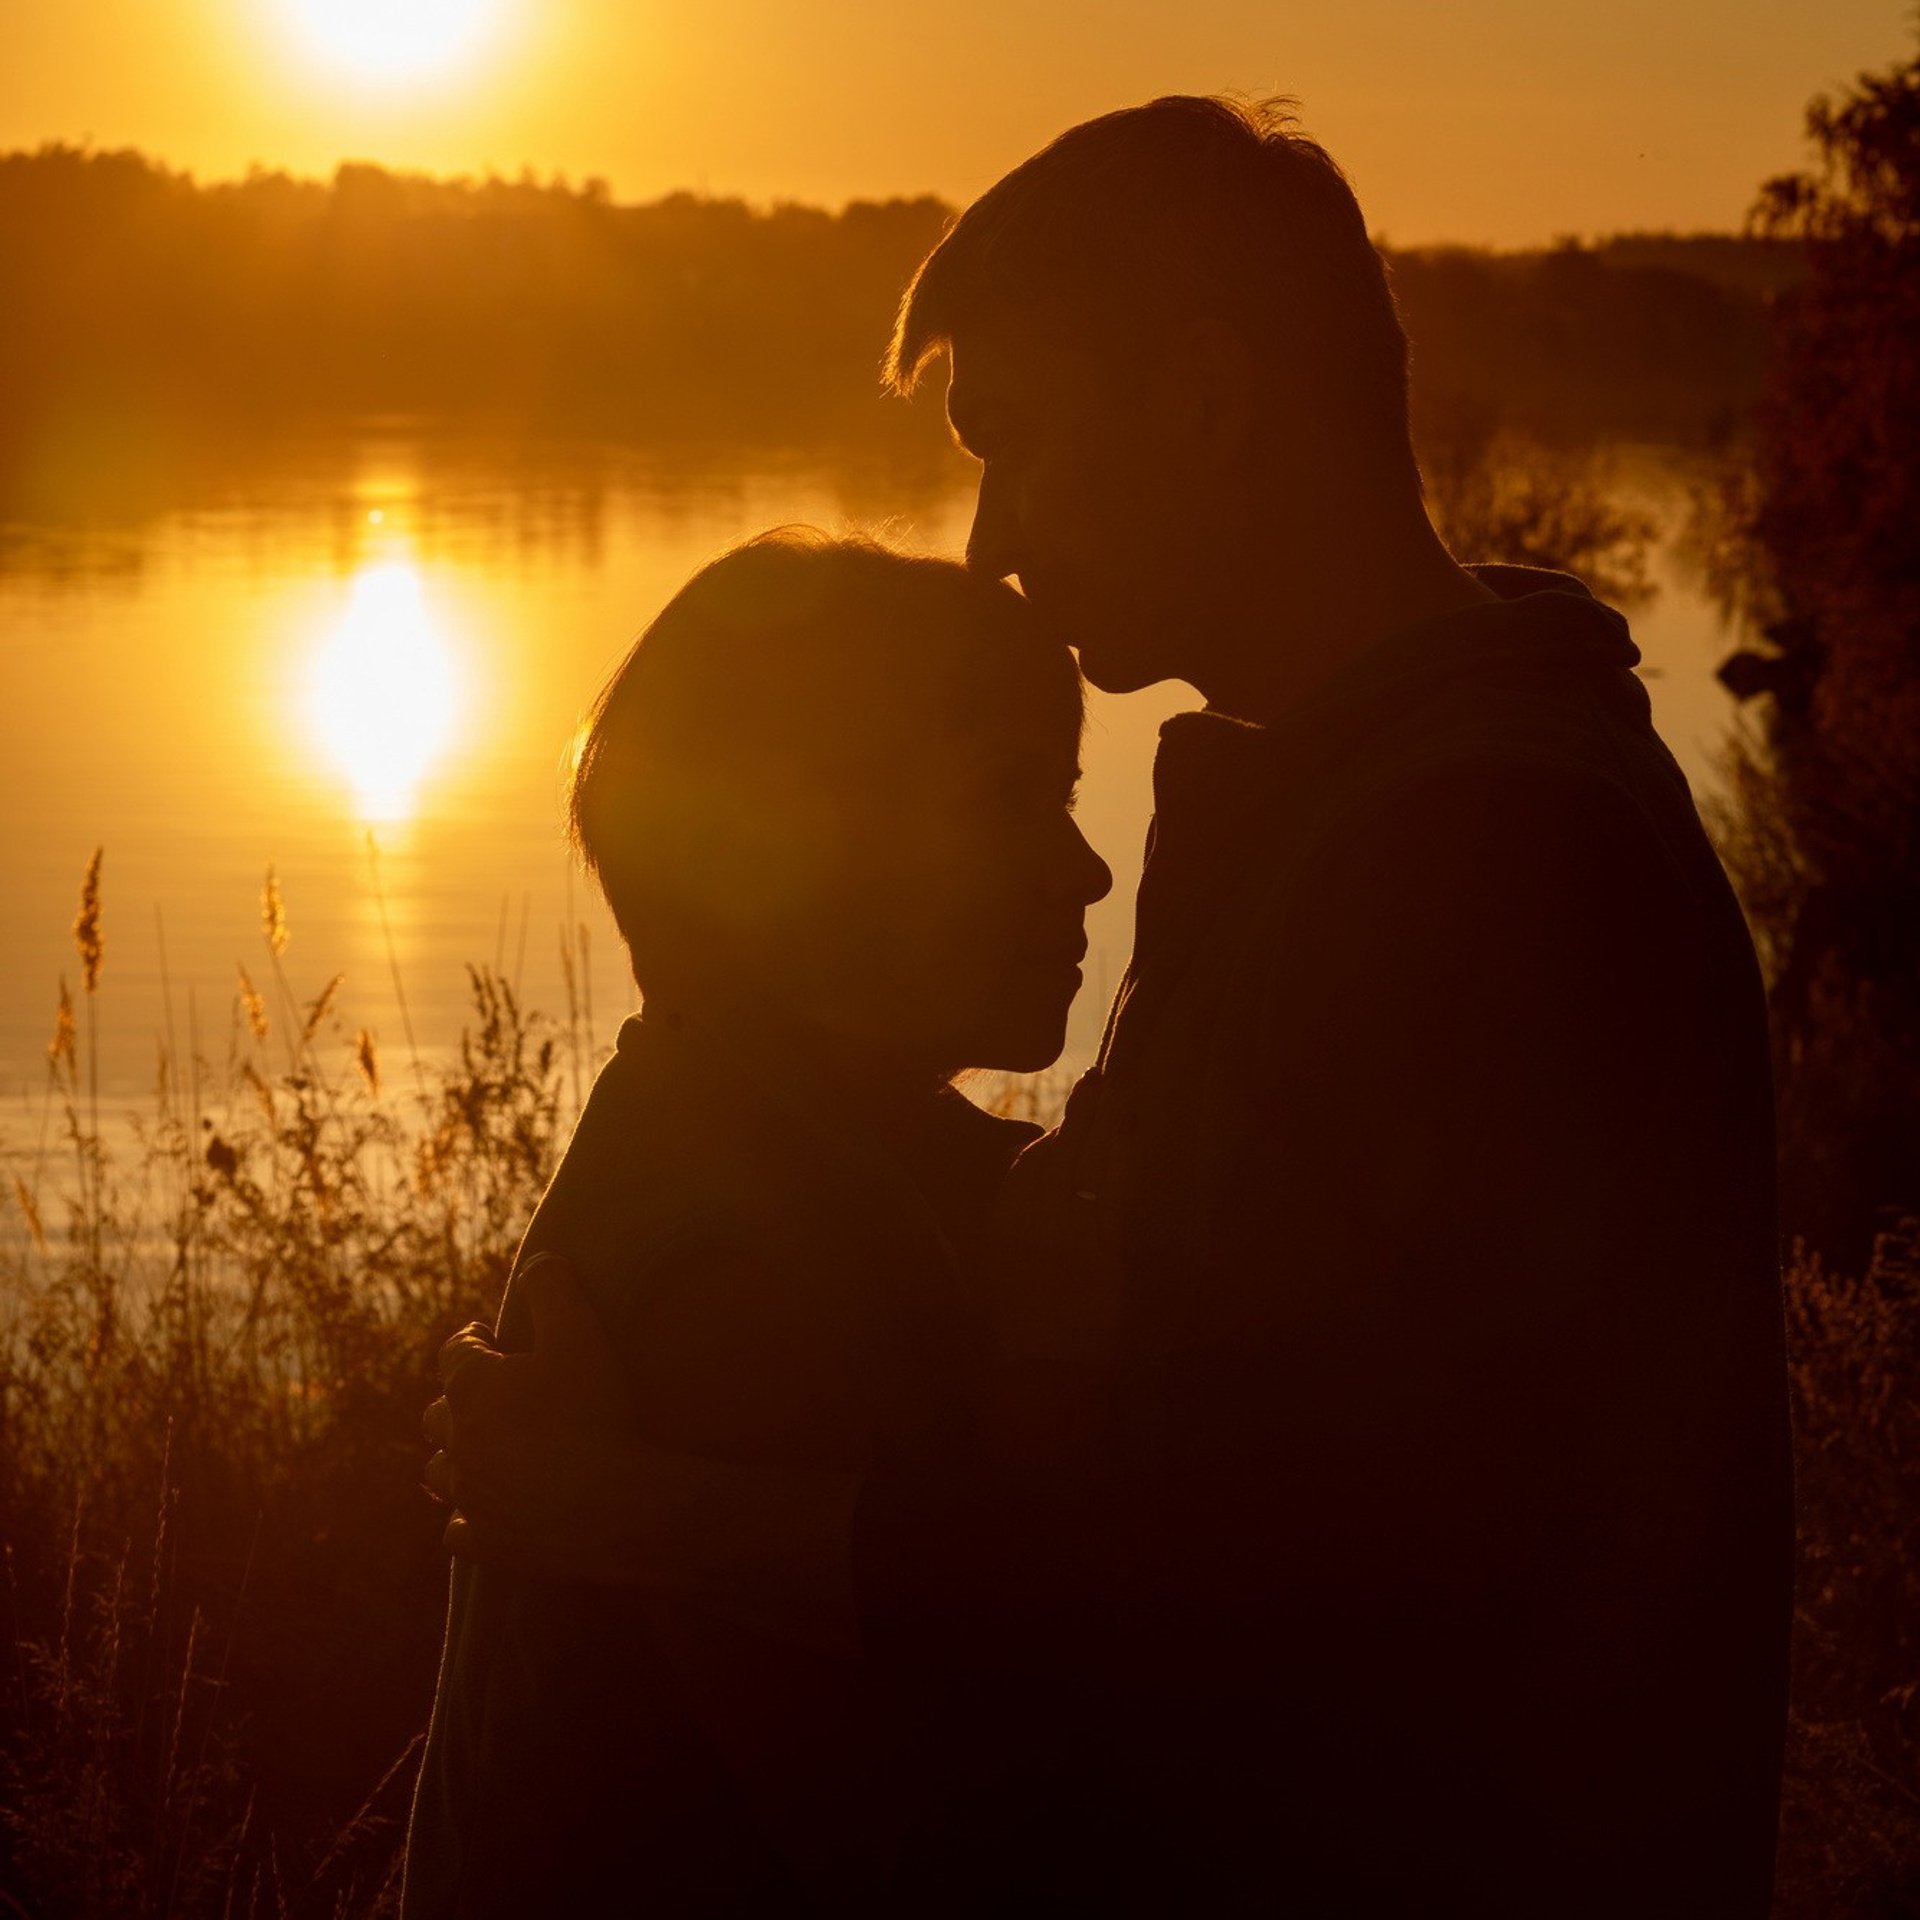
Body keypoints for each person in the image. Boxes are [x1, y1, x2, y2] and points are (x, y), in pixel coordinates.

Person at [430, 98, 1794, 1915]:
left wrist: (628, 1513)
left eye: (1018, 442)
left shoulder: (1480, 849)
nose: (990, 541)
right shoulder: (1341, 801)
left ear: (1210, 407)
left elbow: (1287, 1551)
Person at [401, 528, 1110, 1917]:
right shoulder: (720, 1276)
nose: (1086, 874)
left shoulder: (819, 1142)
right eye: (1015, 801)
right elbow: (916, 1850)